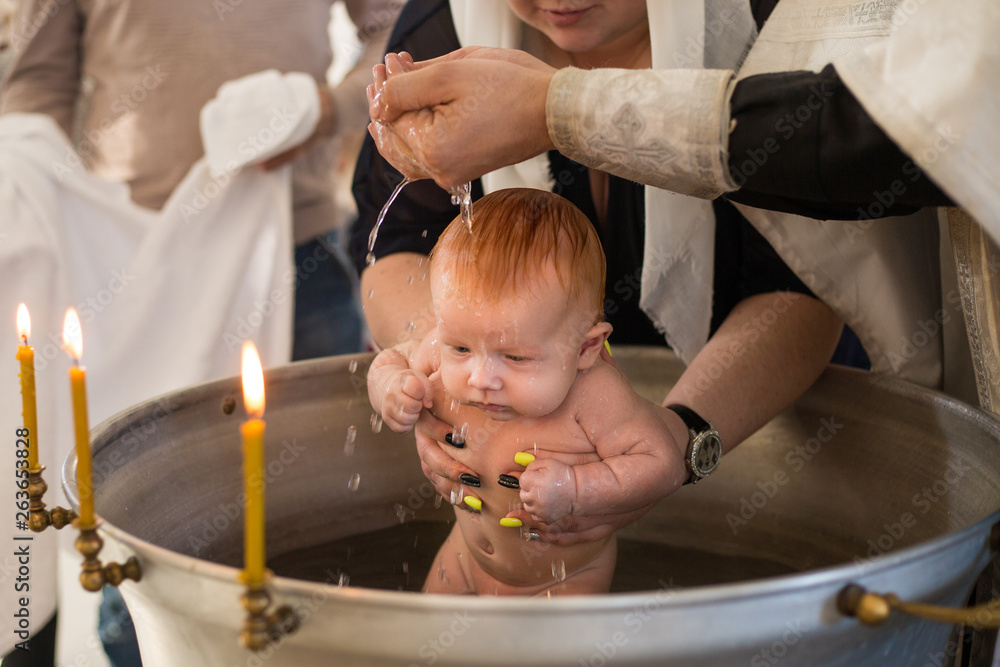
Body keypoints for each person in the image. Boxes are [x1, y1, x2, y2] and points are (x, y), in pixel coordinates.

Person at [353, 0, 845, 545]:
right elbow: (394, 244)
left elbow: (805, 279)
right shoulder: (444, 32)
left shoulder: (767, 28)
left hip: (774, 419)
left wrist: (680, 439)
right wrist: (439, 364)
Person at [0, 0, 402, 663]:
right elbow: (36, 86)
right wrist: (23, 182)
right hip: (135, 277)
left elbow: (390, 28)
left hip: (299, 258)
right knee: (148, 525)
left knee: (317, 516)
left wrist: (322, 110)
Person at [369, 188, 688, 595]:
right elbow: (389, 359)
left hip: (564, 579)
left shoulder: (595, 396)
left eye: (516, 358)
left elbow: (664, 464)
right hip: (462, 560)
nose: (481, 377)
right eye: (461, 348)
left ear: (586, 348)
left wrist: (576, 490)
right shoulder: (440, 347)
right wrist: (390, 388)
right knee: (428, 652)